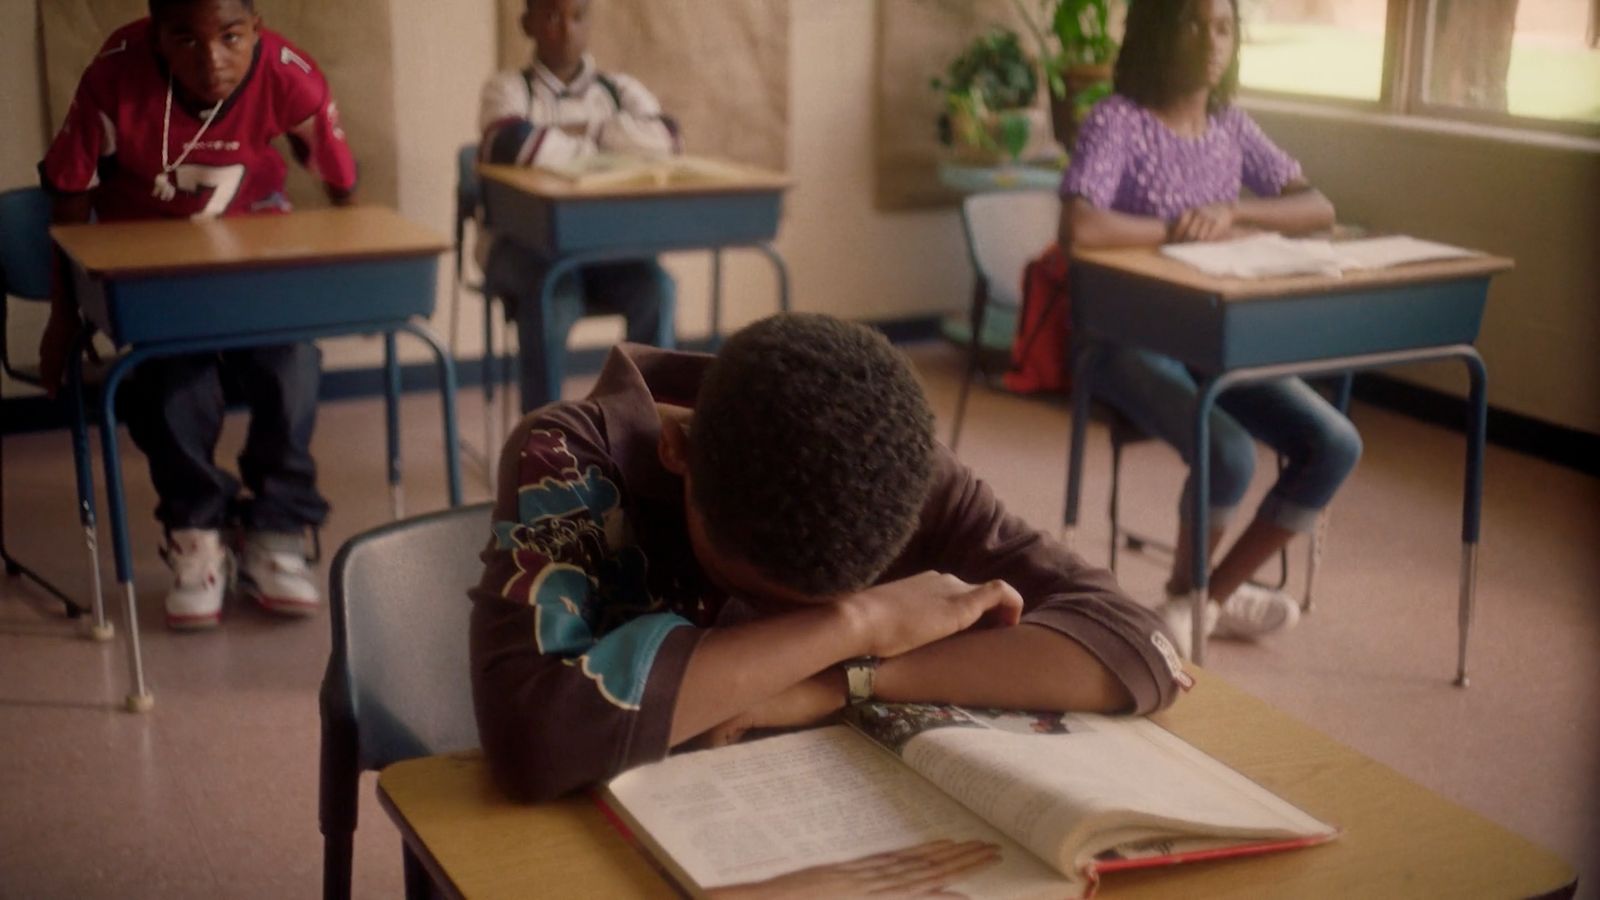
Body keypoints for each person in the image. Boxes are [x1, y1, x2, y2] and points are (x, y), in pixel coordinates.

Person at [471, 313, 1188, 803]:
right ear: (676, 449)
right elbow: (532, 741)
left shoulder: (884, 461)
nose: (791, 631)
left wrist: (848, 680)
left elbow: (1140, 644)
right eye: (757, 591)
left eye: (817, 608)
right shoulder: (566, 454)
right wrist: (857, 622)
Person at [38, 0, 358, 629]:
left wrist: (336, 274)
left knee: (293, 358)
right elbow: (70, 200)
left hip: (250, 263)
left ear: (256, 31)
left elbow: (341, 185)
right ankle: (196, 531)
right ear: (158, 37)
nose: (211, 59)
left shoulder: (292, 74)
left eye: (230, 37)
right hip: (154, 273)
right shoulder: (113, 77)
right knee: (173, 379)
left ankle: (278, 527)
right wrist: (64, 316)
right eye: (185, 39)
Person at [1059, 0, 1361, 656]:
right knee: (1229, 453)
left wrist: (1232, 211)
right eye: (1192, 23)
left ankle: (1203, 598)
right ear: (1157, 32)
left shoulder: (1230, 127)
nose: (1210, 41)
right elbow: (1081, 228)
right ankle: (1196, 595)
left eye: (1223, 26)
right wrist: (1179, 225)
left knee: (1334, 444)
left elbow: (1318, 208)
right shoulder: (1117, 122)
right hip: (1121, 342)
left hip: (1213, 342)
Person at [477, 0, 677, 412]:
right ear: (527, 24)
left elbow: (668, 139)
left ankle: (645, 425)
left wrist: (588, 130)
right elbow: (512, 144)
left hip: (605, 249)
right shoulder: (508, 89)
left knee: (656, 289)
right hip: (520, 246)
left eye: (578, 16)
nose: (566, 30)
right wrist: (615, 141)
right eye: (551, 17)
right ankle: (545, 435)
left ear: (590, 23)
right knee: (554, 295)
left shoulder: (617, 90)